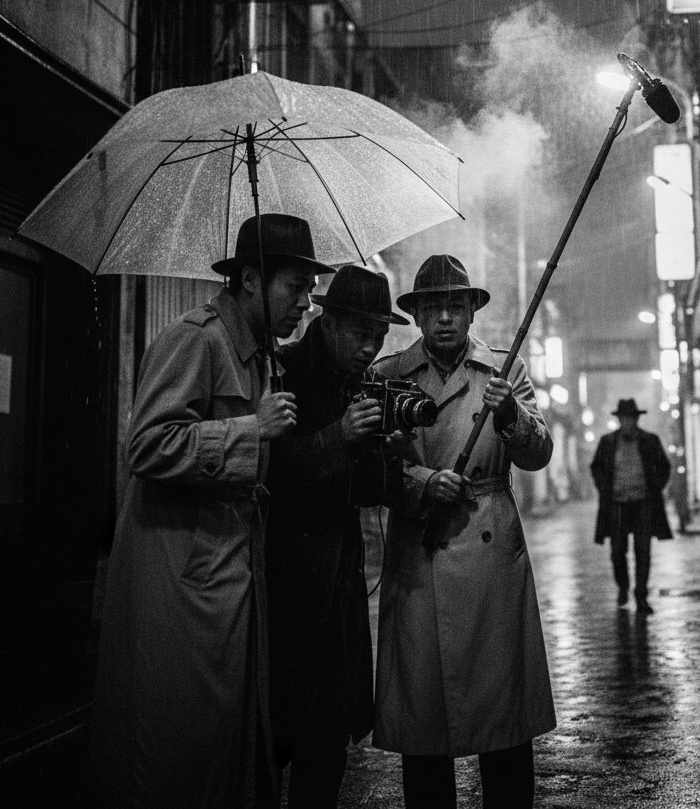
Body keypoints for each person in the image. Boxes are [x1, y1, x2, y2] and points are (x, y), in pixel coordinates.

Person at [90, 214, 330, 809]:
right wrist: (252, 428)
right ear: (250, 279)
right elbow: (147, 445)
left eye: (309, 289)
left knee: (230, 747)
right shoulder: (195, 337)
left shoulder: (258, 355)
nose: (306, 303)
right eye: (295, 287)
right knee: (180, 752)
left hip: (229, 574)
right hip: (183, 580)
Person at [372, 254, 556, 809]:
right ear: (418, 315)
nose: (446, 317)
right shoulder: (387, 376)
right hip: (419, 550)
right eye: (434, 307)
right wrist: (422, 483)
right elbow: (374, 469)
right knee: (425, 721)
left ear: (472, 313)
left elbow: (539, 453)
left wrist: (509, 419)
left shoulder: (504, 371)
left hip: (490, 543)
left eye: (456, 305)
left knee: (502, 719)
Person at [266, 264, 409, 807]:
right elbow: (271, 471)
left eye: (378, 338)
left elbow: (366, 492)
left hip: (339, 590)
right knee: (275, 735)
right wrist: (339, 435)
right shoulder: (283, 374)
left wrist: (385, 455)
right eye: (360, 335)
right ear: (327, 323)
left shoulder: (362, 384)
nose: (369, 348)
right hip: (288, 582)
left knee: (327, 743)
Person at [590, 398, 673, 614]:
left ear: (636, 419)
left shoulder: (649, 441)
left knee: (642, 551)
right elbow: (596, 467)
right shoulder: (608, 442)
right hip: (617, 504)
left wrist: (656, 487)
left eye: (630, 419)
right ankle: (623, 587)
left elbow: (664, 466)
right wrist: (604, 488)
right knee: (618, 551)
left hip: (643, 503)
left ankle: (641, 595)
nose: (627, 423)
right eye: (623, 419)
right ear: (619, 420)